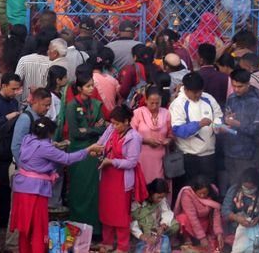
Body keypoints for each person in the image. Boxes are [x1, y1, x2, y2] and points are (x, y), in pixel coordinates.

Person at [12, 117, 101, 253]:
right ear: (49, 133)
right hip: (35, 191)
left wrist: (54, 146)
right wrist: (88, 150)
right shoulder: (45, 147)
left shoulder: (28, 139)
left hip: (22, 188)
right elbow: (67, 158)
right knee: (38, 229)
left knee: (25, 229)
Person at [96, 104, 143, 251]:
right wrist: (96, 150)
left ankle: (123, 246)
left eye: (117, 123)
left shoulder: (134, 137)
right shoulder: (111, 129)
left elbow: (131, 162)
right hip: (107, 176)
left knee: (121, 213)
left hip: (122, 178)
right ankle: (107, 242)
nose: (114, 126)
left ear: (127, 121)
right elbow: (101, 143)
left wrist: (112, 161)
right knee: (106, 210)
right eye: (112, 123)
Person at [64, 69, 106, 231]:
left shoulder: (96, 104)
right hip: (78, 153)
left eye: (92, 85)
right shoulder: (72, 105)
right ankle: (77, 228)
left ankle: (94, 229)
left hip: (94, 152)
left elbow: (103, 128)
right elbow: (75, 133)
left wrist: (88, 130)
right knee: (78, 190)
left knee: (93, 191)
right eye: (88, 86)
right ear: (80, 88)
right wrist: (93, 129)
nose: (91, 88)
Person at [130, 178, 177, 253]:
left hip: (155, 227)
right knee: (147, 220)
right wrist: (141, 236)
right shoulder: (138, 200)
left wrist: (163, 226)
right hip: (142, 229)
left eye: (162, 197)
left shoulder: (161, 199)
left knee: (175, 225)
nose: (160, 199)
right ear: (151, 193)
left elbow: (167, 212)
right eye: (159, 197)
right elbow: (131, 221)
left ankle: (157, 240)